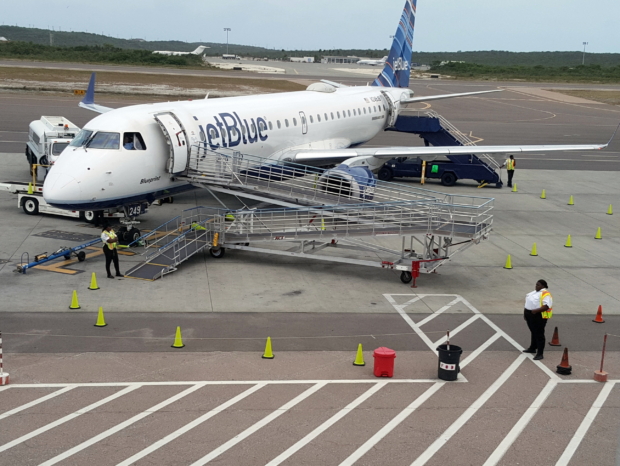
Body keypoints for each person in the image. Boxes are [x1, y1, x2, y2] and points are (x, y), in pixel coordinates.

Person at [523, 279, 553, 360]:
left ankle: (540, 353)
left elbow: (546, 306)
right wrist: (525, 313)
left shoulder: (545, 294)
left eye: (538, 285)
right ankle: (532, 348)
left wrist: (535, 311)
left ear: (543, 286)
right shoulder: (534, 292)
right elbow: (527, 302)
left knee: (539, 334)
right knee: (533, 332)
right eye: (536, 284)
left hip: (538, 316)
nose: (536, 286)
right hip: (529, 314)